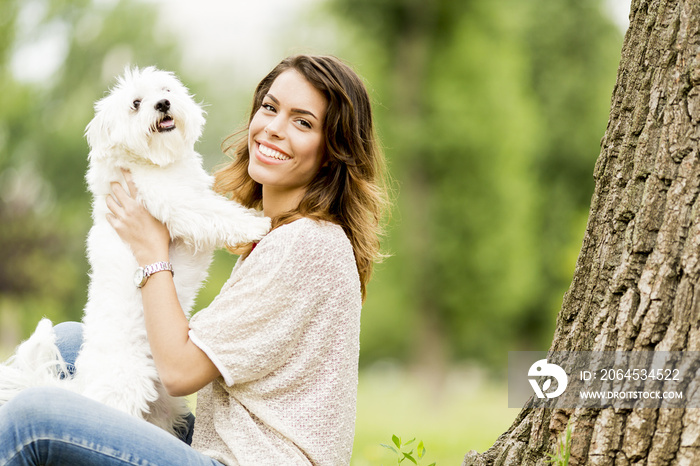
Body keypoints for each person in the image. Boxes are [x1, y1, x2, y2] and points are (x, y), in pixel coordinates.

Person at [0, 54, 388, 465]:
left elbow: (180, 372)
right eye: (270, 108)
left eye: (303, 122)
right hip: (220, 442)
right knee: (68, 340)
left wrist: (150, 250)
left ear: (332, 151)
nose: (273, 129)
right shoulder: (288, 234)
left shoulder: (305, 245)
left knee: (34, 417)